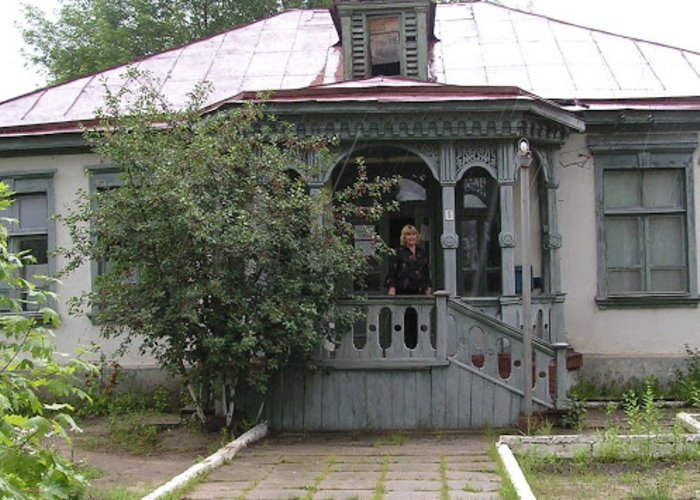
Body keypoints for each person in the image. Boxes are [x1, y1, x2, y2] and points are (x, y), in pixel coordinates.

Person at [385, 224, 432, 296]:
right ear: (404, 237)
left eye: (413, 234)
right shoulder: (398, 252)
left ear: (417, 236)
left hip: (420, 291)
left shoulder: (422, 252)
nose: (411, 237)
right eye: (408, 234)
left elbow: (425, 272)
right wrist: (392, 287)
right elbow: (392, 270)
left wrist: (428, 288)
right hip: (403, 290)